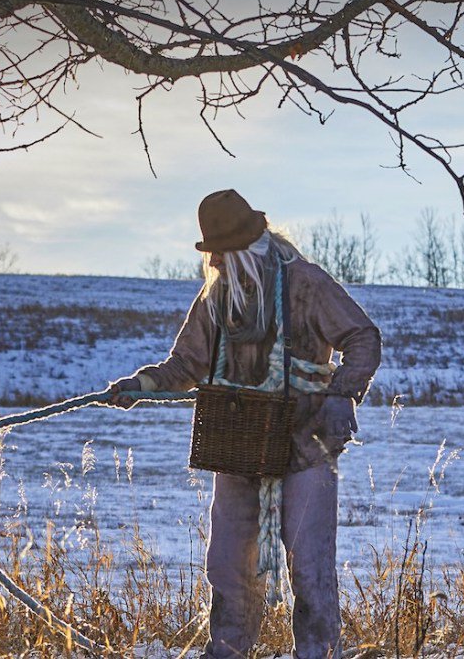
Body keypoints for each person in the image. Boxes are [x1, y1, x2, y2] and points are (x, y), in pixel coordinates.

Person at [106, 189, 381, 659]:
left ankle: (318, 652)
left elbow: (363, 337)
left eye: (218, 251)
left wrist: (340, 395)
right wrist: (142, 384)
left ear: (244, 249)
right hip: (238, 444)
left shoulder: (305, 283)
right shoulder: (216, 297)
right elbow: (185, 365)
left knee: (309, 564)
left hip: (307, 446)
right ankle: (227, 651)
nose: (212, 261)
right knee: (231, 564)